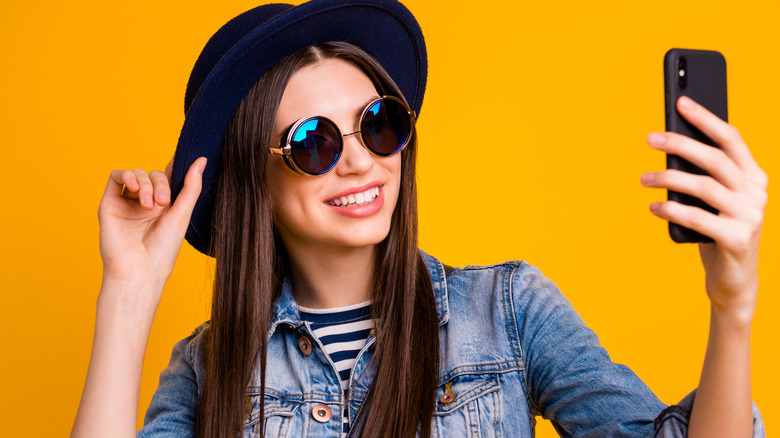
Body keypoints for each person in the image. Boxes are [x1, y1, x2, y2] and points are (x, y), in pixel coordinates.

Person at [71, 0, 767, 437]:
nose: (359, 163)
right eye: (314, 142)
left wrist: (732, 307)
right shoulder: (207, 368)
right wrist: (127, 294)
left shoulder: (510, 312)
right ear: (254, 174)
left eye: (380, 124)